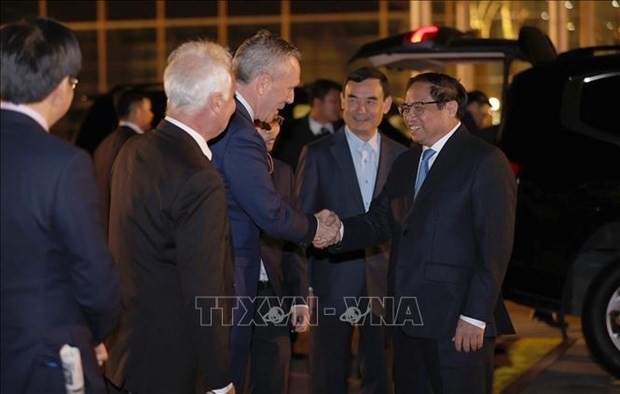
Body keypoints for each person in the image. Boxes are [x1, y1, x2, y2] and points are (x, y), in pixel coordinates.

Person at [320, 72, 517, 394]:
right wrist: (335, 230)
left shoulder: (484, 160)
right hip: (406, 319)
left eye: (418, 108)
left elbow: (495, 246)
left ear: (450, 107)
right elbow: (381, 220)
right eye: (405, 108)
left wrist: (475, 316)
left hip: (457, 322)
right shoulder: (407, 162)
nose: (408, 116)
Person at [209, 29, 339, 393]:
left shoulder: (224, 123)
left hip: (223, 277)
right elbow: (268, 213)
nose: (291, 98)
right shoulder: (239, 132)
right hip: (230, 280)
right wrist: (316, 228)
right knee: (228, 379)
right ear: (264, 82)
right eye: (289, 87)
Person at [105, 39, 237, 394]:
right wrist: (220, 379)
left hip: (128, 350)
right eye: (233, 97)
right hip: (173, 364)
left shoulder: (133, 150)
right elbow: (204, 287)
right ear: (216, 102)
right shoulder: (199, 176)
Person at [1, 17, 120, 393]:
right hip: (44, 356)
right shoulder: (63, 163)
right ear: (61, 88)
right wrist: (94, 331)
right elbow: (94, 276)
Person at [296, 67, 406, 394]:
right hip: (331, 278)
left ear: (386, 104)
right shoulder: (316, 154)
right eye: (353, 100)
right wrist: (304, 288)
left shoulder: (403, 156)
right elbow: (302, 223)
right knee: (327, 374)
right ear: (342, 102)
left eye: (371, 101)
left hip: (385, 280)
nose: (361, 110)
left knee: (383, 374)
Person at [248, 114, 310, 394]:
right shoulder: (216, 166)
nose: (273, 130)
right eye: (263, 123)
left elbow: (293, 241)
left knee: (273, 379)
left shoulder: (283, 172)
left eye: (277, 121)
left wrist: (299, 299)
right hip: (228, 293)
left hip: (271, 294)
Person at [93, 88, 153, 238]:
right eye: (149, 110)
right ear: (138, 111)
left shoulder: (104, 144)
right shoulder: (138, 145)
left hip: (104, 229)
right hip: (128, 234)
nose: (152, 115)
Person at [272, 78, 342, 170]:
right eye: (334, 101)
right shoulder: (289, 131)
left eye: (340, 102)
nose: (340, 106)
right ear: (317, 102)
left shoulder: (343, 130)